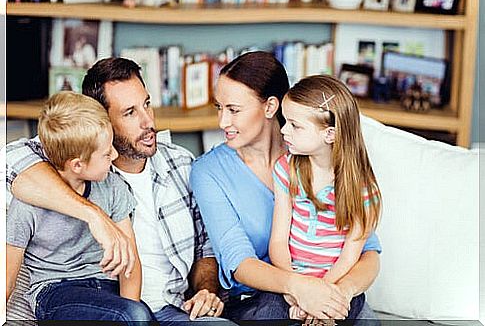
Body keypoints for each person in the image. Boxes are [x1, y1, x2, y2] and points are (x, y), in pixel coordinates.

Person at [5, 58, 228, 323]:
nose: (148, 121)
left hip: (171, 309)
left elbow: (205, 247)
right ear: (102, 119)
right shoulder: (70, 161)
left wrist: (206, 291)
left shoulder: (179, 164)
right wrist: (94, 216)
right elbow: (10, 159)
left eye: (146, 103)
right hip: (93, 303)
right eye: (130, 112)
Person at [190, 51, 381, 322]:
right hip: (260, 299)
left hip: (333, 290)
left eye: (233, 109)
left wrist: (334, 296)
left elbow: (367, 253)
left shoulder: (318, 157)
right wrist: (300, 289)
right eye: (219, 108)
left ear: (270, 107)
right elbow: (239, 264)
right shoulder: (208, 171)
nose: (222, 122)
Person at [6, 92, 152, 323]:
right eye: (106, 154)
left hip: (108, 291)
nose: (114, 155)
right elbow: (7, 278)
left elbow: (129, 265)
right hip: (56, 293)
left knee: (137, 314)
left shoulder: (113, 187)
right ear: (77, 165)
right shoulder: (27, 203)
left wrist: (133, 311)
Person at [269, 75, 382, 322]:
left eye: (295, 125)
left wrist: (322, 295)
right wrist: (296, 290)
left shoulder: (363, 191)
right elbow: (278, 241)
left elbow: (350, 258)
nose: (283, 130)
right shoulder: (286, 170)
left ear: (330, 134)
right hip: (291, 283)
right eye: (285, 121)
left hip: (337, 286)